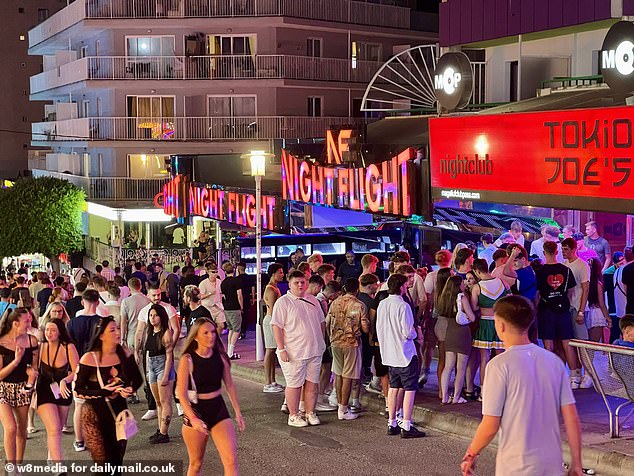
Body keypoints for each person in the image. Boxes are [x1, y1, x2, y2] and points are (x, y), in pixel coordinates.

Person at [460, 296, 582, 476]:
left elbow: (490, 424)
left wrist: (471, 453)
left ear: (500, 325)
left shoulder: (498, 366)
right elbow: (571, 417)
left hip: (516, 464)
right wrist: (577, 463)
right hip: (552, 463)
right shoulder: (553, 362)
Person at [176, 318, 244, 476]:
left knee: (231, 461)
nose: (211, 336)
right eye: (205, 333)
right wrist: (193, 419)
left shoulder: (220, 357)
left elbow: (230, 385)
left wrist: (238, 412)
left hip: (218, 409)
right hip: (197, 411)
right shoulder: (188, 359)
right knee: (196, 463)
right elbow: (181, 393)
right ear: (196, 336)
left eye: (213, 332)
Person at [74, 315, 143, 468]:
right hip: (94, 415)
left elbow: (137, 379)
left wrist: (130, 389)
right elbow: (78, 390)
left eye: (117, 328)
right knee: (103, 463)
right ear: (101, 335)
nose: (117, 332)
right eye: (112, 330)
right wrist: (103, 391)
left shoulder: (125, 353)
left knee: (117, 459)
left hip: (119, 412)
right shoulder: (89, 358)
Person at [271, 271, 326, 427]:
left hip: (314, 351)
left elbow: (321, 322)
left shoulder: (313, 301)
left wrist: (321, 342)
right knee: (294, 384)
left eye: (303, 282)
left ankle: (310, 412)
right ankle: (293, 414)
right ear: (290, 284)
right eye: (297, 282)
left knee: (312, 383)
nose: (300, 285)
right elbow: (276, 326)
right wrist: (281, 349)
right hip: (294, 352)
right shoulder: (283, 302)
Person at [376, 274, 425, 439]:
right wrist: (416, 333)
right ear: (401, 287)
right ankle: (407, 423)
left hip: (389, 353)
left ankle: (392, 422)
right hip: (404, 352)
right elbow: (407, 331)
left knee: (393, 387)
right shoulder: (403, 306)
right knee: (410, 388)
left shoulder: (383, 304)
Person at [36, 318, 79, 463]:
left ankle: (51, 456)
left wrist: (65, 380)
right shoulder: (40, 346)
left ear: (60, 332)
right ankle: (57, 463)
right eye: (47, 329)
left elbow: (77, 371)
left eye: (53, 330)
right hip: (44, 388)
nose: (49, 333)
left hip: (62, 390)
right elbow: (34, 369)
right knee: (53, 427)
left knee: (58, 428)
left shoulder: (68, 347)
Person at [0, 308, 39, 468]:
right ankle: (11, 466)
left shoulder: (32, 341)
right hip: (3, 387)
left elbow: (35, 366)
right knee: (10, 427)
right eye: (27, 321)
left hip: (23, 388)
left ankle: (18, 465)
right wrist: (16, 361)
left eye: (30, 319)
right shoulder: (1, 342)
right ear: (15, 323)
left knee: (22, 430)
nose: (30, 323)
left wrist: (32, 374)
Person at [326, 278, 369, 421]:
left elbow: (327, 323)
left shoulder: (334, 303)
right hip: (351, 343)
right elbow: (365, 328)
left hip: (335, 342)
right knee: (348, 377)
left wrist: (331, 337)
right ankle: (343, 410)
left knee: (338, 374)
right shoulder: (359, 305)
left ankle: (340, 405)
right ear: (357, 289)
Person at [134, 285, 179, 421]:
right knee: (151, 384)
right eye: (154, 295)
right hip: (150, 352)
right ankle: (152, 408)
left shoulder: (168, 308)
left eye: (159, 295)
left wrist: (170, 346)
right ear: (148, 295)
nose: (156, 297)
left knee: (169, 380)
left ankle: (179, 404)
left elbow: (176, 329)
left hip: (163, 352)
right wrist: (136, 350)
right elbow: (139, 331)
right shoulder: (144, 312)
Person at [66, 288, 102, 452]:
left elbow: (68, 347)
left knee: (79, 405)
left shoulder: (72, 323)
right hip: (99, 369)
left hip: (79, 367)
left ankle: (79, 441)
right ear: (98, 302)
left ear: (82, 302)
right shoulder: (104, 322)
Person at [470, 259, 509, 392]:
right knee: (500, 359)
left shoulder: (477, 287)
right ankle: (502, 389)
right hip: (500, 322)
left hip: (485, 323)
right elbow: (510, 299)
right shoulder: (502, 282)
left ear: (477, 271)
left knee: (484, 360)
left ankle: (483, 390)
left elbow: (474, 306)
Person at [438, 276, 476, 405]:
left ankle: (444, 397)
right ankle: (456, 397)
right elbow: (472, 317)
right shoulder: (462, 297)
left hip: (450, 333)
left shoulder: (445, 298)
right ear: (458, 285)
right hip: (462, 333)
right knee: (461, 368)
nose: (465, 283)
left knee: (448, 366)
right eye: (462, 282)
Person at [561, 238, 593, 389]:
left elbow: (585, 289)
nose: (564, 252)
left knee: (582, 342)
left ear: (574, 249)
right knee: (571, 342)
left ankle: (589, 374)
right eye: (562, 249)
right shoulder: (564, 265)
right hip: (567, 307)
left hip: (578, 307)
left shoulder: (582, 265)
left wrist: (581, 310)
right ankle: (577, 372)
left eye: (566, 249)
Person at [144, 304, 175, 444]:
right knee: (158, 402)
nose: (153, 318)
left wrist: (166, 375)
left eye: (155, 315)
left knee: (165, 401)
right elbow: (148, 352)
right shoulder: (150, 332)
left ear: (161, 317)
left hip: (163, 366)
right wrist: (147, 371)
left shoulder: (166, 333)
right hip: (152, 367)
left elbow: (169, 356)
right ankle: (160, 429)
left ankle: (164, 433)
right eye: (151, 315)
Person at [262, 264, 284, 393]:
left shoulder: (275, 288)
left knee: (272, 351)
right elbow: (274, 309)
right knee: (270, 351)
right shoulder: (271, 290)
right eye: (280, 272)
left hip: (273, 321)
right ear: (273, 273)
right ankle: (267, 382)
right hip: (271, 321)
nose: (282, 275)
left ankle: (272, 380)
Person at [220, 262, 243, 360]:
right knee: (237, 330)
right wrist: (241, 307)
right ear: (233, 271)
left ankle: (229, 351)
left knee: (231, 329)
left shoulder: (223, 282)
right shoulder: (236, 281)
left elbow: (223, 296)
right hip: (235, 307)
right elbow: (239, 295)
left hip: (226, 308)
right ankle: (230, 352)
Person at [585, 257, 611, 343]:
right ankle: (588, 357)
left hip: (587, 312)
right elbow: (601, 304)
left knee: (587, 343)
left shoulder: (585, 283)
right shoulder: (598, 284)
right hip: (597, 314)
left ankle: (586, 357)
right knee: (593, 343)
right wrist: (608, 318)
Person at [199, 263, 226, 331]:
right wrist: (209, 294)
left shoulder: (219, 282)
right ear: (208, 272)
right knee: (208, 327)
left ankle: (216, 339)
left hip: (218, 307)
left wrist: (221, 303)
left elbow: (220, 294)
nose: (215, 274)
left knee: (221, 325)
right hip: (207, 308)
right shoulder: (203, 283)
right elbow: (200, 296)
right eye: (213, 272)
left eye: (216, 272)